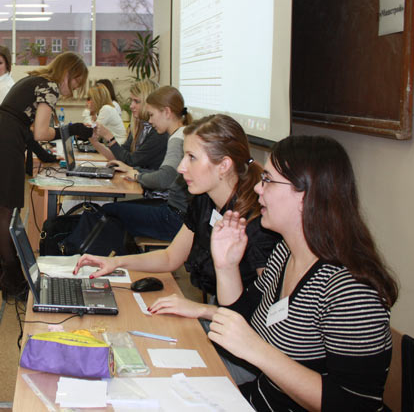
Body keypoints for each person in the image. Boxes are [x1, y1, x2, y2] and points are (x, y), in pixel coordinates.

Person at [207, 135, 398, 411]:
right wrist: (226, 266)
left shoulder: (350, 289)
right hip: (260, 399)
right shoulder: (285, 252)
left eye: (268, 180)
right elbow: (243, 322)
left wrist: (258, 351)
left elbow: (354, 404)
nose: (258, 189)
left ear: (306, 195)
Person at [74, 113, 279, 315]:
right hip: (219, 312)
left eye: (191, 158)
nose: (181, 168)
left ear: (223, 166)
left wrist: (200, 310)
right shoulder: (205, 201)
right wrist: (116, 262)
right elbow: (171, 257)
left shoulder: (257, 223)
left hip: (238, 328)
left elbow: (262, 314)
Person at [0, 52, 91, 300]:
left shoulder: (32, 80)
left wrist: (44, 156)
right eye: (76, 83)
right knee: (8, 217)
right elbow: (39, 132)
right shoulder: (49, 86)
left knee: (0, 214)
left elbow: (22, 125)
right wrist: (70, 130)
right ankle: (12, 282)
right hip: (6, 148)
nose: (74, 90)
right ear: (68, 73)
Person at [71, 86, 192, 249]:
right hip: (175, 213)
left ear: (167, 112)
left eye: (152, 115)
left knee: (109, 212)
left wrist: (136, 176)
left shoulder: (176, 139)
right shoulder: (181, 134)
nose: (150, 120)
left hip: (174, 218)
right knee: (113, 211)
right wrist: (137, 172)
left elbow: (164, 178)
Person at [89, 79, 167, 170]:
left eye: (136, 101)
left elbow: (131, 162)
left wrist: (108, 136)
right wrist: (95, 143)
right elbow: (120, 157)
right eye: (131, 101)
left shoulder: (159, 132)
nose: (131, 106)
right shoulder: (139, 126)